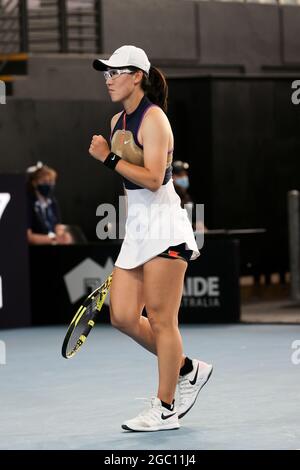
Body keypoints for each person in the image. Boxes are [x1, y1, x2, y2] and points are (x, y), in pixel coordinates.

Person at [90, 45, 213, 432]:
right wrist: (132, 232)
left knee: (162, 319)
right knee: (123, 316)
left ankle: (165, 408)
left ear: (137, 76)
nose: (109, 79)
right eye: (106, 73)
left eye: (115, 72)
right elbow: (131, 188)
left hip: (166, 227)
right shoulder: (116, 121)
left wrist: (108, 158)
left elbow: (155, 176)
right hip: (140, 230)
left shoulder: (154, 119)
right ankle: (188, 369)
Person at [26, 162, 73, 245]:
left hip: (53, 248)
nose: (48, 184)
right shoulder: (28, 203)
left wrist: (63, 236)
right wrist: (54, 239)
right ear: (34, 183)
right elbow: (28, 237)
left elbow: (58, 227)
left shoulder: (52, 202)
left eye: (51, 181)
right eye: (44, 181)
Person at [173, 160, 207, 233]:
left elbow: (198, 224)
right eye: (180, 175)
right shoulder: (166, 198)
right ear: (171, 177)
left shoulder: (188, 199)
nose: (184, 177)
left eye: (185, 174)